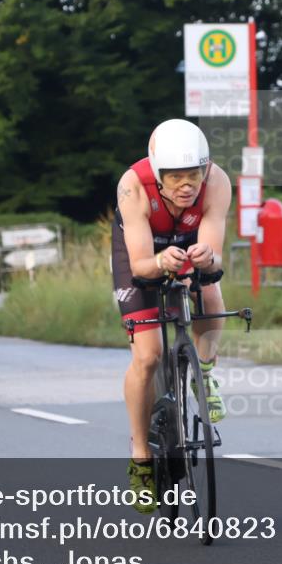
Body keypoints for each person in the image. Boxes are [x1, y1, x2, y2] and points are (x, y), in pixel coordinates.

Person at [111, 119, 232, 513]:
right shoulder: (133, 186)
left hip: (187, 243)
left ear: (205, 169)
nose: (186, 185)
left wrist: (207, 257)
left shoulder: (217, 182)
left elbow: (214, 258)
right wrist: (161, 262)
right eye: (175, 177)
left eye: (193, 174)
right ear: (158, 174)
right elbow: (142, 266)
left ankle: (204, 373)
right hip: (144, 251)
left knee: (209, 291)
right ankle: (141, 455)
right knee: (148, 356)